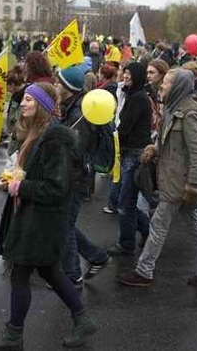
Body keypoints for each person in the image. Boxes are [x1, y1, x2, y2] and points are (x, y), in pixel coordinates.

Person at [0, 82, 97, 350]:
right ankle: (82, 320)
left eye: (28, 100)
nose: (22, 103)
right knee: (50, 272)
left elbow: (56, 187)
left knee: (20, 273)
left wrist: (18, 186)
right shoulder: (37, 133)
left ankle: (14, 335)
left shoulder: (55, 140)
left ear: (43, 107)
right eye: (23, 99)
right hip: (35, 215)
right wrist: (13, 179)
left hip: (43, 220)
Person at [118, 69, 197, 287]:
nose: (162, 86)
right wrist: (154, 149)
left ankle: (144, 271)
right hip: (172, 176)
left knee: (158, 224)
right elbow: (168, 142)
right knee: (192, 222)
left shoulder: (190, 113)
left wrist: (193, 186)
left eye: (166, 82)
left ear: (178, 86)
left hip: (180, 180)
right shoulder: (172, 108)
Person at [56, 66, 110, 286]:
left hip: (76, 178)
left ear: (68, 87)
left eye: (59, 83)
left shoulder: (80, 114)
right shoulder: (71, 107)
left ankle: (72, 275)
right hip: (70, 176)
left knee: (64, 225)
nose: (56, 85)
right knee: (63, 223)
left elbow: (76, 150)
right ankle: (97, 256)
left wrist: (56, 143)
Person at [107, 62, 151, 256]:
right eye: (124, 73)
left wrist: (111, 134)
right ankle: (147, 230)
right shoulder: (132, 94)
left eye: (129, 75)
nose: (125, 77)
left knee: (125, 203)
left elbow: (125, 127)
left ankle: (127, 244)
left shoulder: (138, 98)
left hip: (133, 154)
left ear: (138, 78)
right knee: (126, 200)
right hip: (128, 152)